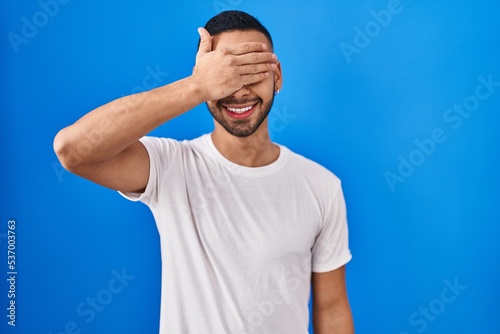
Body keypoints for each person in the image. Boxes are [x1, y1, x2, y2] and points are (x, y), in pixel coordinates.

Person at [53, 10, 354, 334]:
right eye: (226, 74)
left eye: (250, 70)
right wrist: (197, 85)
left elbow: (332, 308)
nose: (239, 91)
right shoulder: (171, 166)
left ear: (276, 76)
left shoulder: (322, 185)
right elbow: (72, 150)